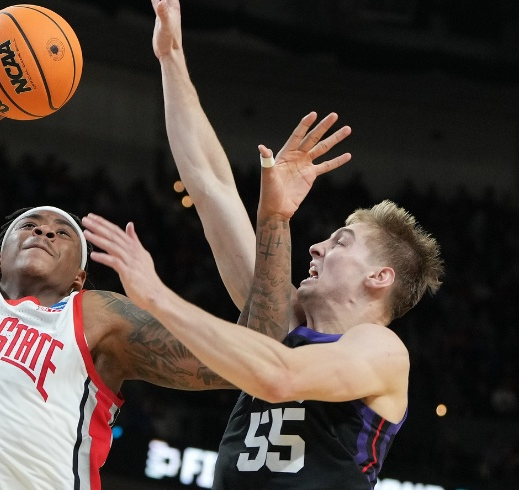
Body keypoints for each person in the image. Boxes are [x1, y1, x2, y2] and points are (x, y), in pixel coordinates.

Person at [81, 2, 444, 488]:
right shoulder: (282, 316)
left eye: (340, 242)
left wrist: (158, 297)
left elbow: (280, 377)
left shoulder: (380, 350)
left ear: (379, 277)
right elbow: (211, 188)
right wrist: (172, 59)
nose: (316, 248)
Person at [0, 97, 268, 489]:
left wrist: (275, 222)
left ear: (79, 276)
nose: (45, 230)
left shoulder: (97, 316)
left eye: (63, 232)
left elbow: (249, 356)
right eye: (30, 224)